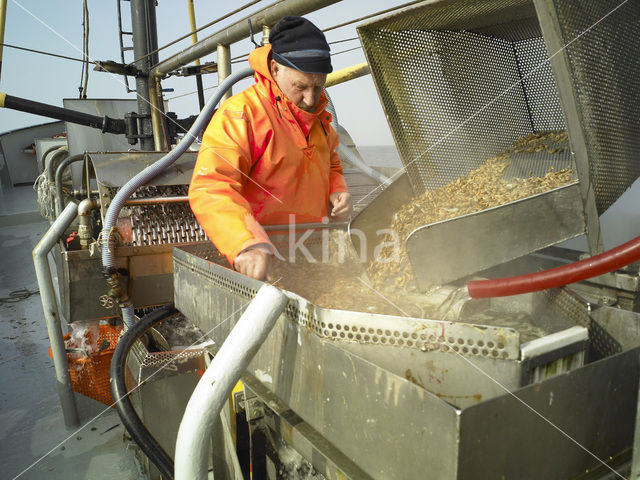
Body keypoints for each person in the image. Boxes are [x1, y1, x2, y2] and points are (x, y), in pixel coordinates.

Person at [189, 16, 351, 280]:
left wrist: (338, 189)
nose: (310, 99)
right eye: (301, 87)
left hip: (311, 254)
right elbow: (212, 186)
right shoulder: (241, 114)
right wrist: (246, 243)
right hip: (261, 259)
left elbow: (331, 163)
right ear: (275, 69)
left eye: (318, 87)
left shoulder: (320, 120)